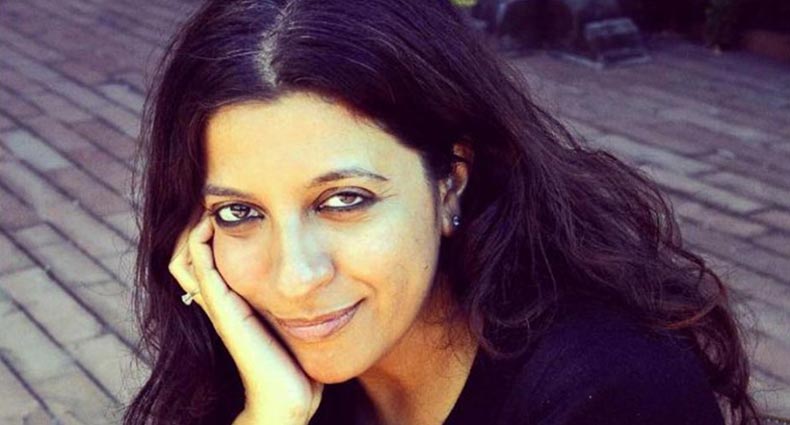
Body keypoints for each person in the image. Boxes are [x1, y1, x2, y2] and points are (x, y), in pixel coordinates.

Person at [125, 1, 761, 424]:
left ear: (450, 183)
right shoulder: (252, 374)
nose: (294, 278)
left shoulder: (610, 394)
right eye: (238, 212)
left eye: (344, 200)